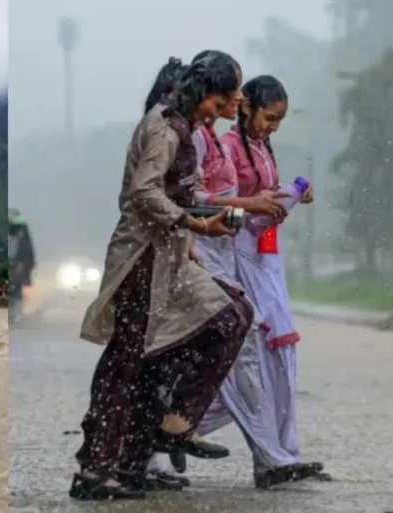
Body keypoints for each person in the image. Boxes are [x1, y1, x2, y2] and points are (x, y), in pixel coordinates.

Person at [71, 53, 254, 501]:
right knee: (127, 360)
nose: (222, 110)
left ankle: (167, 431)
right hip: (141, 259)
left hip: (170, 255)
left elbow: (181, 191)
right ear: (199, 93)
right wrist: (195, 225)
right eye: (220, 101)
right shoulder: (164, 127)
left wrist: (207, 220)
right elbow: (143, 192)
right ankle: (96, 469)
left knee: (230, 315)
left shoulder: (186, 127)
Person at [216, 74, 327, 486]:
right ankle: (271, 457)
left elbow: (262, 200)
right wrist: (259, 205)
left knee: (280, 357)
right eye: (269, 117)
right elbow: (222, 207)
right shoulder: (226, 149)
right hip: (238, 258)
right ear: (244, 107)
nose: (273, 126)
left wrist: (289, 194)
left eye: (279, 120)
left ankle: (283, 453)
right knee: (253, 360)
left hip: (266, 256)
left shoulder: (262, 147)